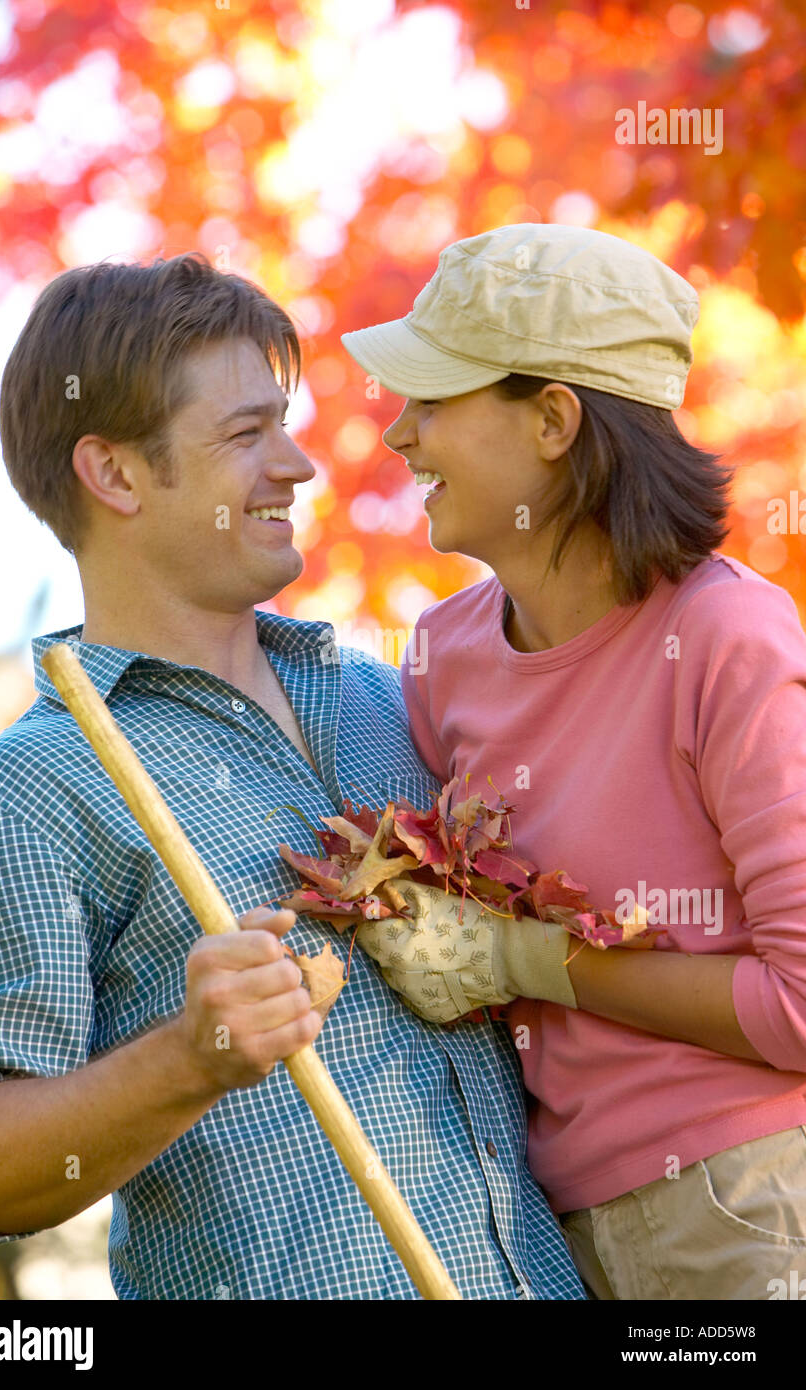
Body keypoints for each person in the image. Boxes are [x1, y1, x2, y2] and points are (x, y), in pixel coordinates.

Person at [0, 252, 587, 1300]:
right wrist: (188, 1057)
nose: (298, 464)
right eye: (246, 435)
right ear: (114, 474)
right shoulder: (25, 794)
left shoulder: (404, 704)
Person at [339, 223, 806, 1301]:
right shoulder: (445, 653)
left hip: (748, 1209)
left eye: (436, 399)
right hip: (544, 1234)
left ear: (553, 419)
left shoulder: (730, 641)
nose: (401, 433)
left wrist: (527, 963)